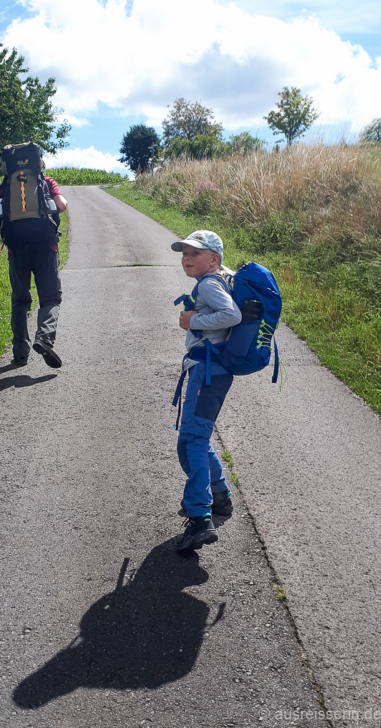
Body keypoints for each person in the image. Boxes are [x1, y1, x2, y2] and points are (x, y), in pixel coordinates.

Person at [171, 230, 242, 552]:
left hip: (208, 372)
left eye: (194, 253)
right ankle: (220, 496)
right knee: (195, 438)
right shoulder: (215, 280)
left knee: (192, 442)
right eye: (184, 252)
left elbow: (232, 315)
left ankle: (200, 517)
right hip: (210, 370)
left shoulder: (211, 283)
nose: (186, 257)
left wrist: (194, 320)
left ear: (214, 259)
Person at [0, 171, 68, 368]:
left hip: (16, 251)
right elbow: (61, 205)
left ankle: (20, 354)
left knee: (20, 301)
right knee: (50, 298)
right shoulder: (47, 182)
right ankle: (44, 338)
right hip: (46, 249)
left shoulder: (4, 186)